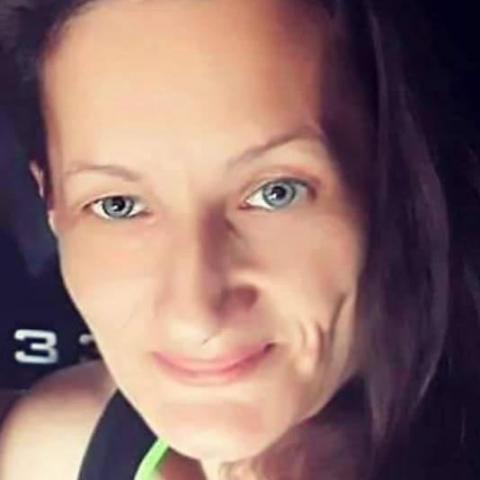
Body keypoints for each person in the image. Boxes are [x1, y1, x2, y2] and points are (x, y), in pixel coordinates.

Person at [0, 0, 479, 479]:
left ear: (396, 183)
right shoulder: (57, 454)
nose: (196, 315)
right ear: (51, 202)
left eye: (277, 192)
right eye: (118, 205)